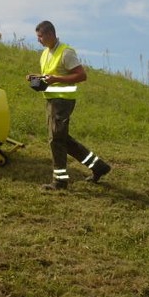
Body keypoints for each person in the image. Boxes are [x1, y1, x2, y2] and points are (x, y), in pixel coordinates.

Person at [27, 20, 111, 191]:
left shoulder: (66, 52)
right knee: (62, 139)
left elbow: (81, 76)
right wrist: (36, 77)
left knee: (55, 140)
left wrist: (56, 79)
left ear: (50, 34)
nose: (39, 40)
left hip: (63, 101)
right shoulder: (45, 53)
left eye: (40, 36)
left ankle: (60, 181)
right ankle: (98, 166)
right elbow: (50, 75)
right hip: (51, 100)